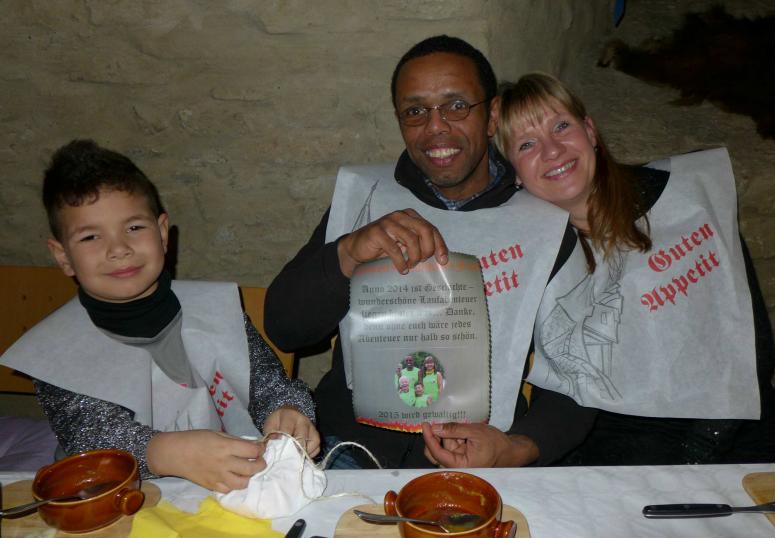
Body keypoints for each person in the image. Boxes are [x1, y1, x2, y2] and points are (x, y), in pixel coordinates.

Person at [265, 35, 591, 469]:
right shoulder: (365, 199)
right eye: (415, 111)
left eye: (456, 106)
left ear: (492, 116)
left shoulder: (545, 228)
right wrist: (346, 254)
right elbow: (285, 329)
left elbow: (577, 382)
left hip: (477, 459)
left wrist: (515, 448)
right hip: (349, 449)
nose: (436, 127)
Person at [493, 72, 775, 464]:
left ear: (590, 131)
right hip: (612, 445)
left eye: (561, 126)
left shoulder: (682, 202)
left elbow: (753, 348)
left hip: (732, 430)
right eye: (527, 144)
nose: (552, 150)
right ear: (514, 174)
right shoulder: (524, 255)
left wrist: (695, 454)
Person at [0, 140, 320, 491]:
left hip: (229, 487)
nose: (119, 249)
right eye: (91, 237)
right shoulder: (53, 352)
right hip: (114, 492)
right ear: (63, 257)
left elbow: (267, 384)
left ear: (163, 233)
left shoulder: (218, 311)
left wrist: (287, 411)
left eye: (134, 228)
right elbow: (91, 435)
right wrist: (164, 452)